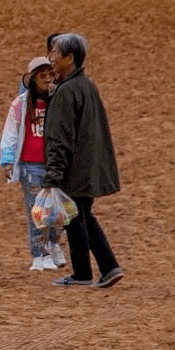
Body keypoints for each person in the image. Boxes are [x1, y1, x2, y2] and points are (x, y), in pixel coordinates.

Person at [42, 33, 122, 288]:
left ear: (70, 57)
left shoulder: (67, 92)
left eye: (55, 53)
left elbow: (59, 139)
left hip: (74, 169)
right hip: (90, 165)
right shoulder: (86, 86)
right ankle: (102, 268)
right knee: (82, 216)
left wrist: (53, 178)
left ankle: (87, 272)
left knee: (75, 218)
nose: (50, 58)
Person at [0, 56, 64, 271]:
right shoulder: (20, 104)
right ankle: (39, 254)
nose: (47, 79)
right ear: (33, 78)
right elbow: (10, 131)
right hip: (30, 165)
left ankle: (53, 244)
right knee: (37, 211)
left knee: (57, 211)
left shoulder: (59, 100)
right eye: (42, 75)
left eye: (50, 74)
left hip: (55, 164)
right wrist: (7, 161)